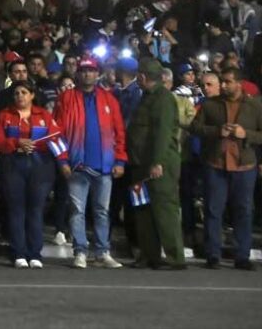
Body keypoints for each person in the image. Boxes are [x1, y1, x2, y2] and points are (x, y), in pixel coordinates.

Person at [53, 57, 127, 269]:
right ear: (78, 73)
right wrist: (62, 160)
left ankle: (102, 252)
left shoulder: (109, 99)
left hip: (104, 165)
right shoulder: (66, 98)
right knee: (77, 211)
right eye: (84, 70)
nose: (87, 74)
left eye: (91, 70)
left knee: (102, 211)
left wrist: (120, 160)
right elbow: (57, 132)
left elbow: (119, 132)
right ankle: (80, 251)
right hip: (77, 165)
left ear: (97, 73)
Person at [190, 67, 261, 270]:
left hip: (244, 165)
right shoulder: (210, 105)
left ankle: (242, 255)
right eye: (222, 81)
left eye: (227, 82)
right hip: (216, 163)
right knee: (213, 210)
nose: (223, 85)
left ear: (238, 83)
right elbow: (195, 127)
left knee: (243, 211)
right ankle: (213, 254)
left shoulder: (255, 106)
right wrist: (216, 131)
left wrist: (245, 134)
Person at [0, 80, 63, 269]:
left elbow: (55, 137)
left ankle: (35, 253)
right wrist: (16, 143)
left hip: (40, 166)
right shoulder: (5, 115)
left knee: (35, 209)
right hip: (12, 165)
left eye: (24, 92)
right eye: (16, 93)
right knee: (16, 209)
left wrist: (60, 160)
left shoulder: (44, 115)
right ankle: (18, 253)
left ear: (32, 95)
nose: (20, 96)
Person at [126, 58, 185, 270]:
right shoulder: (148, 97)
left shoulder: (163, 99)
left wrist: (157, 161)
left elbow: (163, 133)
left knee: (164, 209)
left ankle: (175, 258)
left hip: (158, 164)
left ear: (142, 76)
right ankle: (149, 255)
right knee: (143, 210)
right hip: (141, 163)